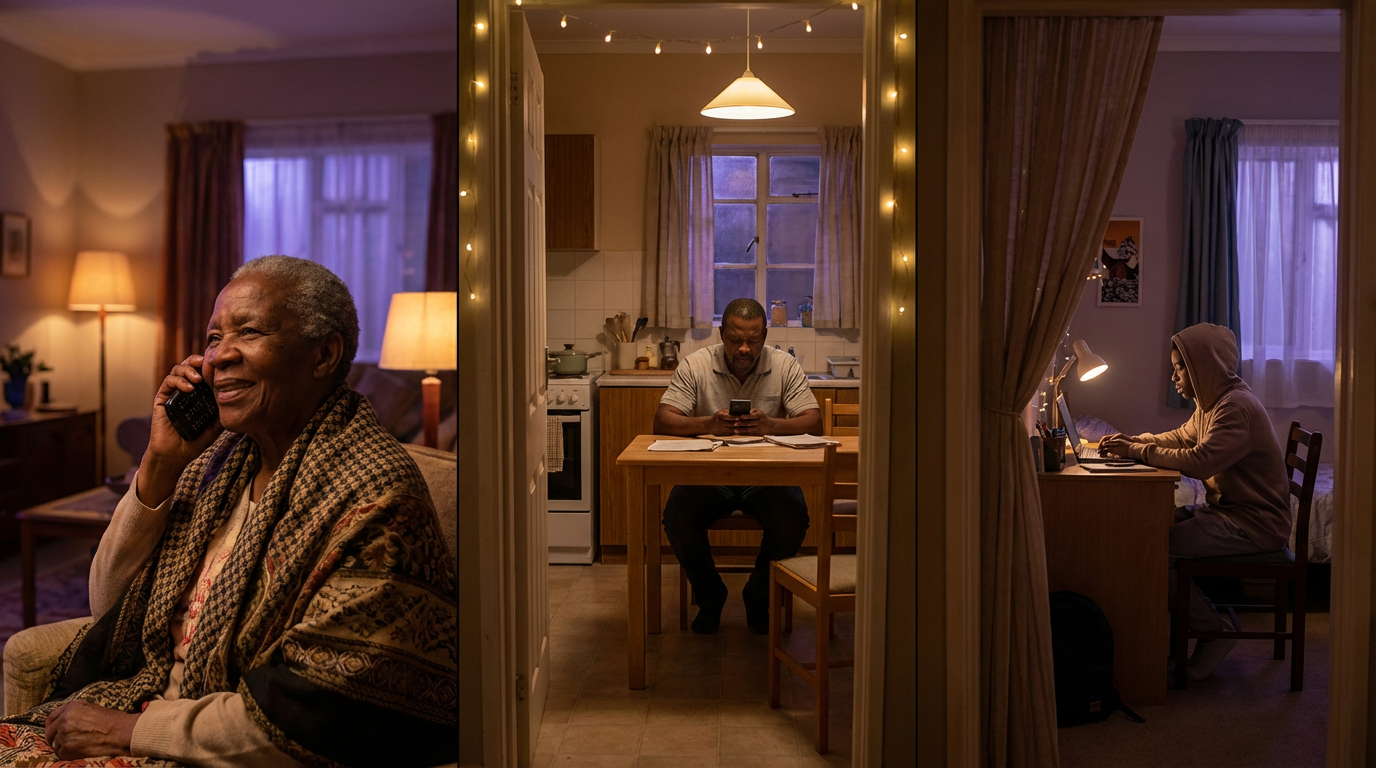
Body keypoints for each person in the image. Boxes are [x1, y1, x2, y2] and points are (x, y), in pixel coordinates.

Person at [0, 256, 456, 767]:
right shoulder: (213, 464)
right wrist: (160, 465)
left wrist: (133, 730)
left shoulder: (376, 496)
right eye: (214, 337)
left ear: (324, 354)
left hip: (209, 744)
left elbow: (320, 707)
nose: (218, 358)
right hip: (148, 707)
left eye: (250, 331)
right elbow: (110, 606)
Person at [1100, 322, 1291, 680]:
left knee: (1158, 549)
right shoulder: (1213, 403)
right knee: (1158, 525)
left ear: (1206, 365)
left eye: (1180, 367)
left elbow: (1201, 460)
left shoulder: (1235, 408)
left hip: (1255, 524)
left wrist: (1138, 450)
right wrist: (1135, 440)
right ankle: (1177, 631)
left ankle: (1214, 632)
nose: (1174, 376)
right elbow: (1181, 437)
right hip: (1231, 514)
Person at [653, 298, 822, 635]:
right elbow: (662, 421)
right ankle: (711, 595)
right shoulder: (696, 364)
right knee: (677, 517)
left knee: (793, 518)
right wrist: (708, 424)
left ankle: (758, 597)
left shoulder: (784, 365)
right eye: (735, 340)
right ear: (721, 333)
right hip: (707, 474)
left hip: (767, 476)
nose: (744, 348)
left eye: (753, 340)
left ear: (765, 334)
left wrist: (772, 426)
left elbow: (814, 423)